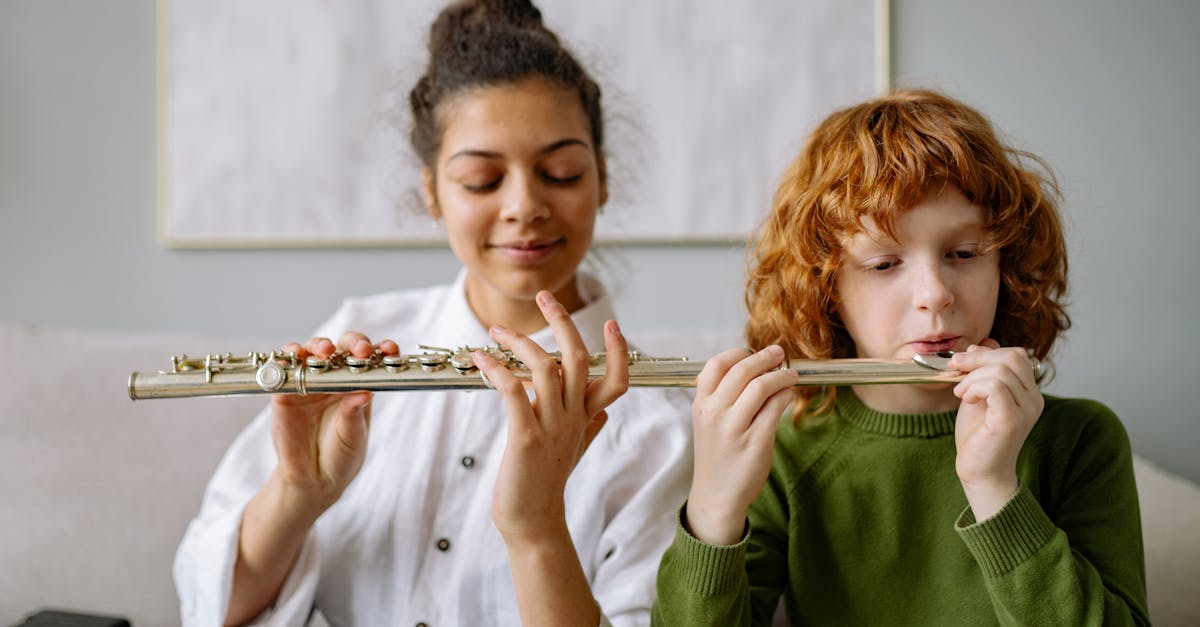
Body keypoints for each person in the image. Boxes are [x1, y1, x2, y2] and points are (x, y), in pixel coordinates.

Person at [174, 1, 693, 625]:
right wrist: (298, 492)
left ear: (601, 179)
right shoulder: (355, 338)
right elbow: (211, 610)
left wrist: (536, 529)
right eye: (481, 180)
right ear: (431, 193)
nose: (525, 205)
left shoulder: (660, 425)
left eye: (561, 172)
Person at [653, 89, 1149, 625]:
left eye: (963, 254)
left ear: (1007, 266)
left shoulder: (1081, 441)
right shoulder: (784, 450)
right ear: (825, 289)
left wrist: (996, 489)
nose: (935, 293)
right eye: (885, 263)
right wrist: (712, 507)